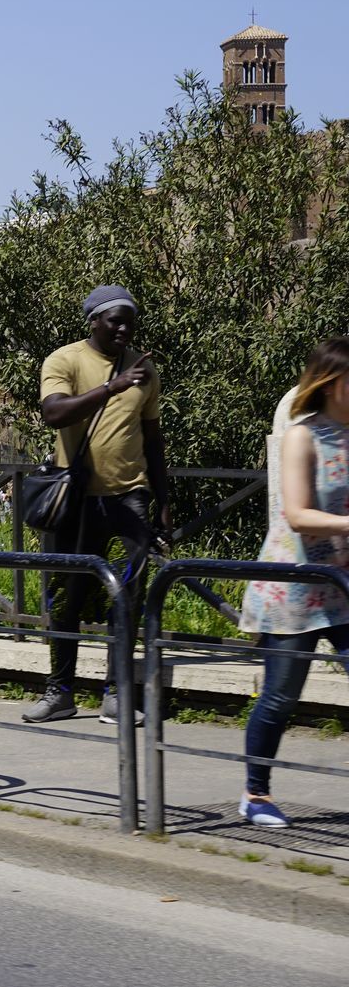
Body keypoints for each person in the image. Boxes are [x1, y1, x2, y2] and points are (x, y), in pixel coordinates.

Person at [23, 284, 169, 725]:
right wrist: (113, 386)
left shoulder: (145, 369)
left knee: (128, 596)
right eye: (115, 321)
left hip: (130, 498)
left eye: (131, 321)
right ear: (94, 321)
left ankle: (117, 692)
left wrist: (164, 502)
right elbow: (54, 413)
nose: (125, 329)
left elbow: (154, 440)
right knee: (69, 598)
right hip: (77, 501)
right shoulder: (64, 360)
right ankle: (60, 692)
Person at [237, 338, 349, 827]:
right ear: (331, 382)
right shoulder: (303, 436)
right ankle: (255, 794)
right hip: (294, 587)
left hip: (342, 585)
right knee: (281, 696)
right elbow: (299, 514)